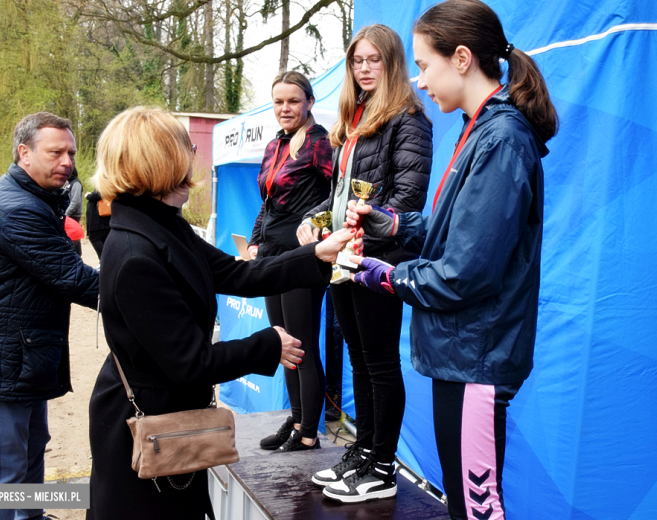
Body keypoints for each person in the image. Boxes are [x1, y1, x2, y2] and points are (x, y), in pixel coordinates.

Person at [345, 2, 558, 518]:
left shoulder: (501, 138)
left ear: (461, 58)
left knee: (477, 510)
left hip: (476, 359)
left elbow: (465, 271)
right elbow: (452, 231)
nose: (418, 81)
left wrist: (390, 276)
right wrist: (393, 224)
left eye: (423, 65)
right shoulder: (478, 128)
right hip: (463, 356)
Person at [86, 107, 351, 520]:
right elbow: (191, 362)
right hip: (144, 431)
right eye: (186, 149)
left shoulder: (160, 225)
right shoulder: (137, 253)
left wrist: (313, 255)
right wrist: (267, 344)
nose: (194, 157)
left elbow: (235, 272)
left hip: (170, 418)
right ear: (162, 162)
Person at [300, 24, 432, 503]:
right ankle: (363, 451)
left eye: (374, 60)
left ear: (392, 63)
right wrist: (320, 221)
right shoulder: (349, 122)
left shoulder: (409, 119)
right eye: (357, 60)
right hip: (343, 256)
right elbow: (337, 196)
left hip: (379, 260)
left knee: (379, 362)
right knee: (359, 358)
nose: (364, 68)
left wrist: (369, 217)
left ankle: (382, 467)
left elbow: (408, 201)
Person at [0, 112, 99, 520]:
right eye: (56, 152)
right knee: (5, 471)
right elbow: (74, 279)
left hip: (25, 354)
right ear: (24, 153)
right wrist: (146, 292)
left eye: (71, 153)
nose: (67, 162)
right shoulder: (17, 209)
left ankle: (33, 516)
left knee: (33, 447)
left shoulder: (37, 198)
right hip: (3, 359)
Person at [248, 71, 334, 452]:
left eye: (293, 101)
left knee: (302, 345)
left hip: (302, 259)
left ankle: (310, 434)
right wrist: (254, 242)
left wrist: (317, 225)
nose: (285, 108)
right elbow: (267, 204)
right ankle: (297, 418)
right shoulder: (274, 145)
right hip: (270, 259)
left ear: (309, 103)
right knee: (283, 343)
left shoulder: (320, 143)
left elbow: (340, 193)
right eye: (279, 101)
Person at [84, 190, 111, 260]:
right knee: (104, 240)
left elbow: (97, 194)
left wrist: (88, 196)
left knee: (95, 238)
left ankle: (106, 261)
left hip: (99, 219)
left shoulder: (104, 180)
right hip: (102, 218)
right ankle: (106, 262)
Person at [65, 167, 83, 255]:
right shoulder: (69, 183)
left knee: (74, 234)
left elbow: (76, 201)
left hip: (73, 213)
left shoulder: (76, 183)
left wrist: (66, 213)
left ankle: (76, 254)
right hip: (68, 212)